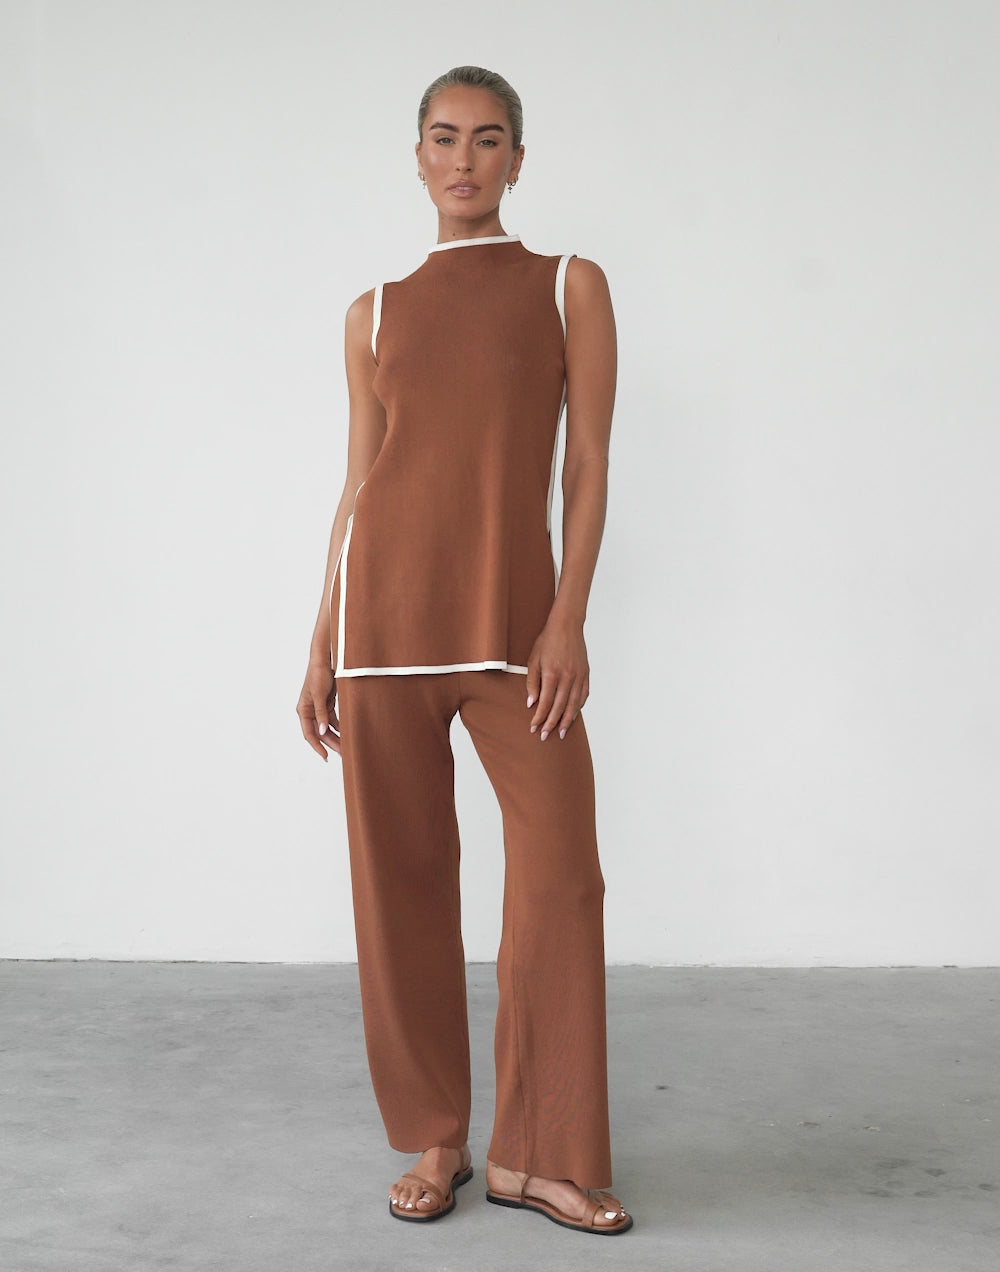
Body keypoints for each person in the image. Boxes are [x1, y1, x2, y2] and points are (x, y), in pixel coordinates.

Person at [296, 64, 631, 1236]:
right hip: (380, 631)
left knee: (561, 877)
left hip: (511, 633)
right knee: (400, 889)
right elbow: (358, 484)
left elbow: (587, 462)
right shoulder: (374, 313)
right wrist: (321, 637)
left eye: (488, 140)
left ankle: (538, 1155)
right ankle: (437, 1138)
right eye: (444, 137)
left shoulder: (567, 285)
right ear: (418, 156)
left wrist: (567, 616)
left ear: (517, 161)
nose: (464, 159)